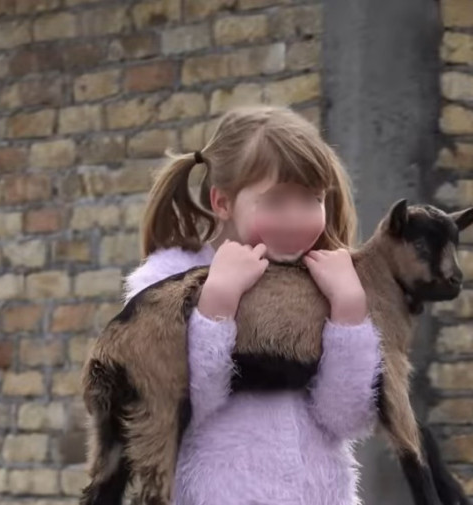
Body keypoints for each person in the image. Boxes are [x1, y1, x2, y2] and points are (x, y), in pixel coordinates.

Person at [123, 104, 383, 505]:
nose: (296, 219)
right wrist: (216, 306)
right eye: (275, 201)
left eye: (311, 199)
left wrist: (349, 311)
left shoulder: (327, 282)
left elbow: (348, 418)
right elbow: (173, 411)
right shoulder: (167, 282)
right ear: (222, 202)